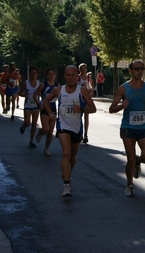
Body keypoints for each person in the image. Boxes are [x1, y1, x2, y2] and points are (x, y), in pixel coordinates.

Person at [43, 65, 96, 197]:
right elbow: (45, 101)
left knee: (72, 157)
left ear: (77, 76)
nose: (70, 78)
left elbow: (93, 108)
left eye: (73, 75)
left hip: (77, 128)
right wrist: (50, 113)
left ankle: (67, 174)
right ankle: (66, 184)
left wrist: (82, 109)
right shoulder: (59, 90)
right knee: (66, 153)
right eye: (68, 75)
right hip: (63, 126)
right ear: (64, 76)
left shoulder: (82, 91)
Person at [109, 60, 145, 197]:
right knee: (130, 158)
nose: (139, 71)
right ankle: (130, 184)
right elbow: (111, 108)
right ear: (130, 70)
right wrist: (121, 106)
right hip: (128, 128)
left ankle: (138, 161)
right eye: (136, 69)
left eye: (142, 69)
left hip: (144, 127)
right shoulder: (123, 88)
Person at [33, 68, 60, 156]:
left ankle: (46, 148)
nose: (51, 76)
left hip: (53, 109)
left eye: (53, 74)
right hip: (44, 108)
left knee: (50, 131)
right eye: (49, 74)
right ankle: (41, 131)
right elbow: (35, 95)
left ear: (55, 76)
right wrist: (38, 104)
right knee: (46, 129)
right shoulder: (42, 85)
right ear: (46, 75)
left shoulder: (57, 86)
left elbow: (61, 98)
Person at [77, 63, 94, 144]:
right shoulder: (78, 77)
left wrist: (91, 89)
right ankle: (79, 132)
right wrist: (81, 87)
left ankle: (86, 135)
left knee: (86, 117)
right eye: (82, 69)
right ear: (79, 70)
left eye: (85, 69)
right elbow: (74, 86)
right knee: (79, 116)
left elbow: (91, 84)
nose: (83, 70)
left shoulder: (88, 77)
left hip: (86, 98)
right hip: (79, 98)